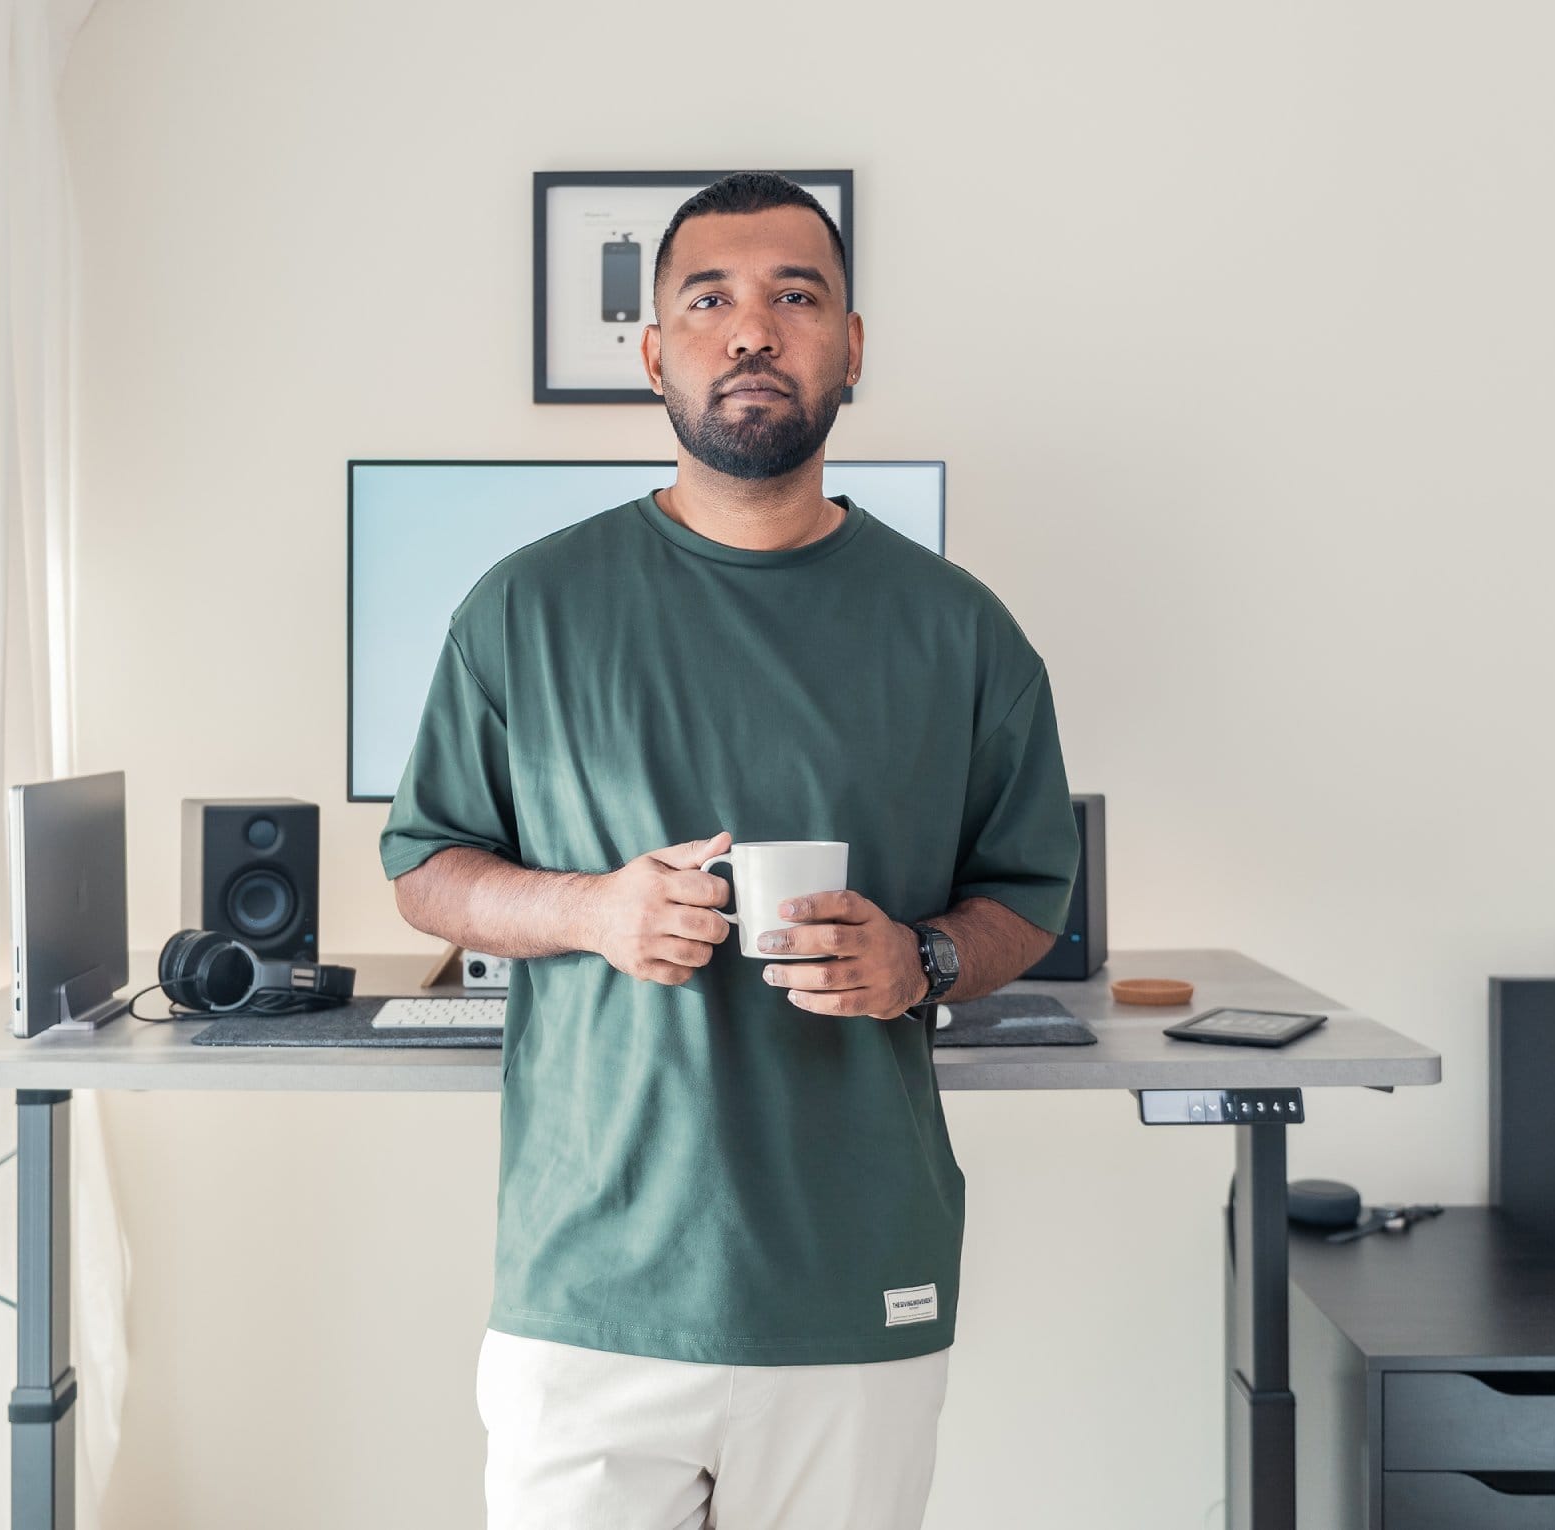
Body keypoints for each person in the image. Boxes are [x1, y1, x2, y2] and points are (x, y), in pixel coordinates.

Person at [381, 170, 1080, 1530]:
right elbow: (425, 869)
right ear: (653, 353)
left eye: (795, 297)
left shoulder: (962, 632)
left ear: (853, 347)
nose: (752, 331)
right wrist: (589, 910)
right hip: (589, 1293)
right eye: (710, 300)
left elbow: (1029, 893)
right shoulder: (524, 611)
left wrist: (919, 957)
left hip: (854, 1286)